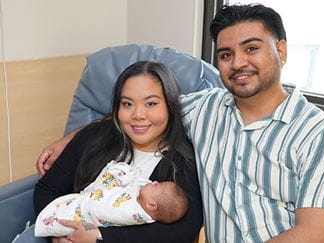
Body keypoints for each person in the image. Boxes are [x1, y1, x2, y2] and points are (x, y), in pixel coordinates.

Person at [36, 4, 324, 243]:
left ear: (280, 51)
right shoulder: (206, 109)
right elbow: (143, 110)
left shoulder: (318, 133)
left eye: (251, 49)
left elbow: (316, 234)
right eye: (226, 54)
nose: (238, 63)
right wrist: (71, 138)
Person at [33, 60, 202, 243]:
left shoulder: (184, 163)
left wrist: (99, 237)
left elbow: (181, 231)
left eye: (151, 104)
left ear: (170, 106)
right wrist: (59, 233)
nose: (138, 115)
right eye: (127, 104)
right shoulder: (95, 138)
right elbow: (47, 189)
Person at [35, 161, 188, 237]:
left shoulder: (130, 212)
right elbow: (140, 182)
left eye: (157, 185)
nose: (154, 182)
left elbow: (100, 208)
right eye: (127, 104)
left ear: (152, 205)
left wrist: (95, 235)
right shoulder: (147, 199)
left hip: (79, 217)